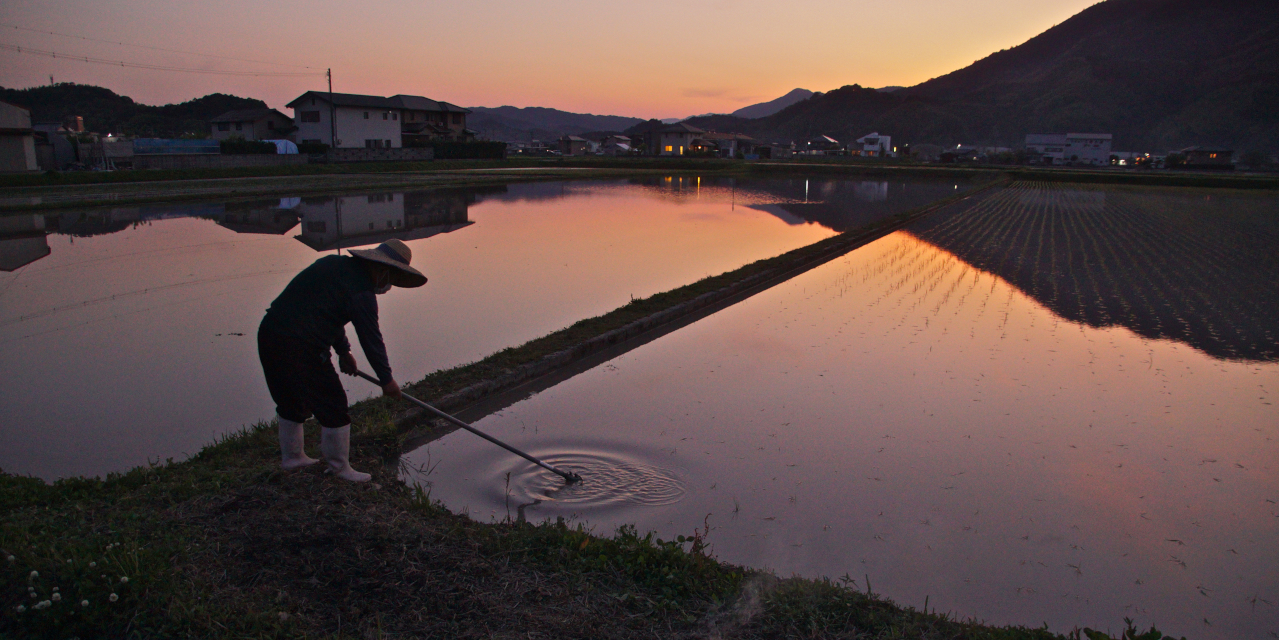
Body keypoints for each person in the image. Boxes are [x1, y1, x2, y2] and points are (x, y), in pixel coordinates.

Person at [257, 238, 426, 482]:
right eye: (389, 278)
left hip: (271, 333)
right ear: (381, 269)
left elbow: (327, 312)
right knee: (333, 403)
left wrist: (343, 351)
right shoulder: (362, 292)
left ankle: (293, 458)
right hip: (301, 345)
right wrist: (386, 380)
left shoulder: (334, 265)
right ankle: (339, 468)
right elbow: (372, 339)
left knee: (291, 399)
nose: (387, 285)